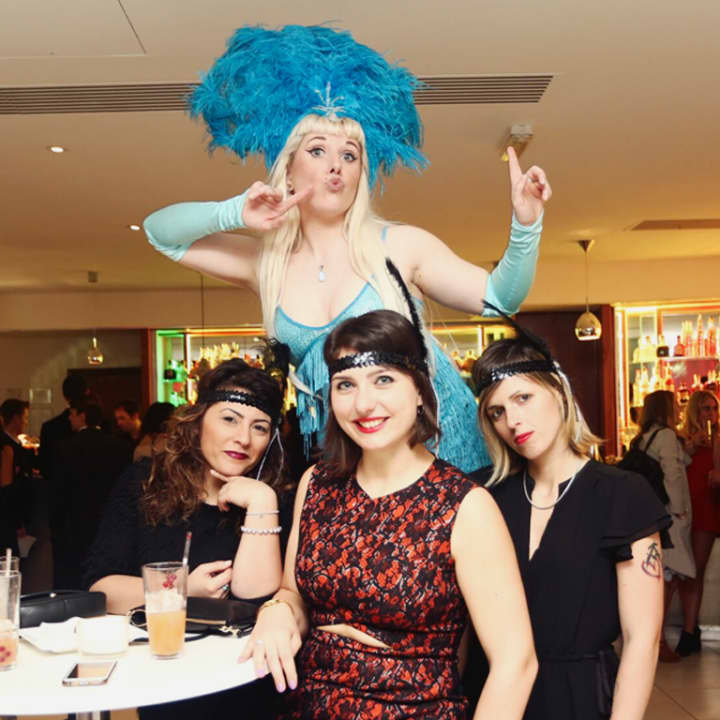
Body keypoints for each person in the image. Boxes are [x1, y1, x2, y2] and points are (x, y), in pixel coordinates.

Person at [143, 24, 552, 474]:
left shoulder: (399, 245)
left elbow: (500, 298)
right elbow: (160, 232)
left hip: (443, 453)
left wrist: (526, 225)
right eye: (317, 151)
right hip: (349, 463)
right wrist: (234, 212)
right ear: (288, 169)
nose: (336, 165)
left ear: (361, 173)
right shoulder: (267, 264)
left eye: (350, 155)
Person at [242, 310, 537, 719]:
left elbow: (515, 663)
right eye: (346, 385)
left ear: (419, 390)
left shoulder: (465, 506)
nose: (363, 404)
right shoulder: (317, 484)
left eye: (383, 380)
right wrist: (278, 611)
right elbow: (293, 592)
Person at [471, 331, 670, 720]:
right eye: (496, 412)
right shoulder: (482, 496)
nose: (512, 421)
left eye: (523, 398)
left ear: (559, 392)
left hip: (580, 699)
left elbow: (642, 640)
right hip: (493, 697)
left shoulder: (622, 493)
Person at [84, 358, 289, 720]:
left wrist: (261, 501)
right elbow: (102, 589)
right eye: (229, 419)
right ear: (198, 421)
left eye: (259, 427)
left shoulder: (276, 499)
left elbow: (255, 596)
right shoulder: (144, 483)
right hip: (168, 685)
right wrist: (180, 590)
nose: (243, 438)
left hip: (248, 683)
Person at [632, 390, 695, 662]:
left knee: (662, 576)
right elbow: (673, 473)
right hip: (670, 514)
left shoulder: (644, 437)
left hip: (652, 513)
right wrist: (679, 509)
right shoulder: (666, 436)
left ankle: (652, 639)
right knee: (667, 578)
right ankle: (657, 641)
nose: (679, 410)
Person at [52, 400, 132, 589]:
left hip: (74, 522)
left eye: (72, 414)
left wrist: (55, 526)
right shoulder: (120, 447)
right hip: (109, 518)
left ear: (83, 417)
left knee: (74, 576)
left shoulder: (65, 447)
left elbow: (58, 493)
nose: (69, 419)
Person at [676, 390, 720, 655]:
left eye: (714, 408)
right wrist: (691, 446)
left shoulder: (718, 437)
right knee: (687, 570)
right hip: (687, 508)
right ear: (694, 411)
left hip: (709, 506)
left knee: (696, 569)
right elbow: (674, 470)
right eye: (705, 409)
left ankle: (690, 630)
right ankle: (690, 629)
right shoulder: (682, 438)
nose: (711, 414)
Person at [0, 399, 32, 555]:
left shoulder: (16, 445)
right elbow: (7, 487)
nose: (26, 422)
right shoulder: (6, 447)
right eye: (24, 418)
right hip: (6, 517)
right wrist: (17, 521)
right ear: (15, 419)